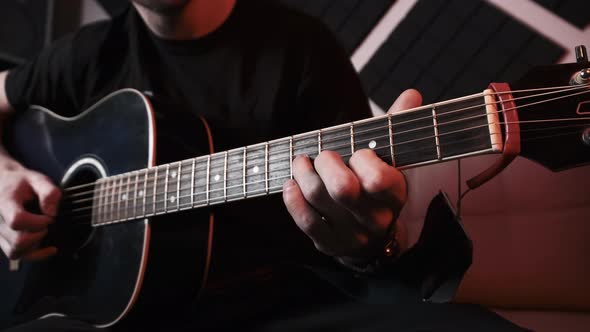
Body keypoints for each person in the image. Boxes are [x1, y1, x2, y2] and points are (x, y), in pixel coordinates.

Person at [0, 1, 528, 331]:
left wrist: (367, 244)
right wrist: (5, 179)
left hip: (280, 302)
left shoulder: (300, 47)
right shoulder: (83, 55)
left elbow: (364, 235)